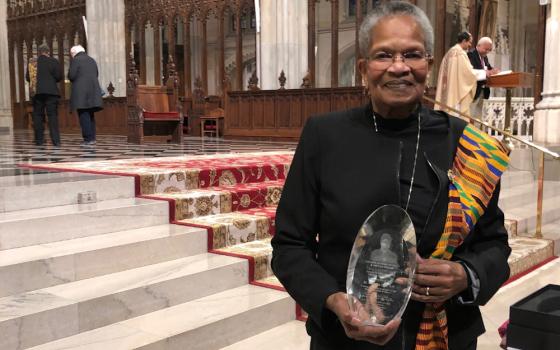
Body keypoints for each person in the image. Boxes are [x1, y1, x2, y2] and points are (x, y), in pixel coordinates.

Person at [271, 2, 511, 350]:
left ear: (428, 64)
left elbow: (494, 244)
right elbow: (289, 246)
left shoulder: (466, 143)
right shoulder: (324, 136)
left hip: (443, 335)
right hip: (345, 338)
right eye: (383, 55)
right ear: (363, 68)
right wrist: (332, 300)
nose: (399, 67)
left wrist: (466, 275)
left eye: (412, 54)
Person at [435, 32, 486, 118]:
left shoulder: (450, 51)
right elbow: (468, 73)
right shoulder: (460, 53)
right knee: (456, 117)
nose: (470, 45)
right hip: (457, 92)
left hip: (450, 90)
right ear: (463, 41)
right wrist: (485, 73)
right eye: (469, 42)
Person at [25, 44, 62, 146]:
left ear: (39, 52)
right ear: (48, 52)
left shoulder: (32, 63)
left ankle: (39, 140)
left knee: (38, 116)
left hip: (37, 93)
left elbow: (28, 78)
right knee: (52, 116)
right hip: (51, 93)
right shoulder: (54, 61)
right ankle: (56, 140)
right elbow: (59, 77)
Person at [68, 45, 103, 146]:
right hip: (93, 91)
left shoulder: (76, 60)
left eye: (71, 55)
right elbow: (96, 73)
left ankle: (88, 139)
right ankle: (92, 137)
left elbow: (71, 76)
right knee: (91, 115)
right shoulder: (92, 60)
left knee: (83, 115)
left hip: (81, 93)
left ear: (74, 53)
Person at [467, 37, 500, 118]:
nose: (488, 52)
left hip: (482, 90)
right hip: (473, 90)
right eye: (486, 49)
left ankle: (477, 130)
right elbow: (471, 72)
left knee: (478, 116)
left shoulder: (484, 56)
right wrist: (487, 73)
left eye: (489, 50)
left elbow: (488, 68)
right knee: (470, 115)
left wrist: (494, 71)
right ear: (478, 45)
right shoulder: (471, 54)